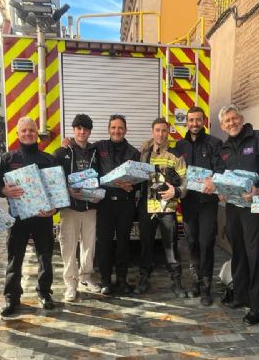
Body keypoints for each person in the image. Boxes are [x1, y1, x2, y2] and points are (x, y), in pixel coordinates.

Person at [217, 105, 259, 325]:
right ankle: (239, 295)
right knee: (239, 253)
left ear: (241, 119)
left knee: (255, 255)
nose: (231, 123)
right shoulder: (223, 148)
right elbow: (220, 176)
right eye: (227, 121)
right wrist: (220, 192)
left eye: (234, 119)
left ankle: (256, 306)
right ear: (222, 126)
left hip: (254, 207)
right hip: (233, 208)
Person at [0, 117, 57, 314]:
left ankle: (45, 292)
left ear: (37, 133)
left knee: (45, 256)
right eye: (24, 131)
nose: (28, 134)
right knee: (15, 257)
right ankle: (11, 297)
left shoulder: (48, 159)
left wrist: (55, 208)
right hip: (17, 218)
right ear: (17, 133)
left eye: (32, 130)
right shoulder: (7, 159)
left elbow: (57, 190)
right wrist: (4, 191)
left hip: (43, 217)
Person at [174, 106, 225, 306]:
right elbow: (173, 170)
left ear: (203, 122)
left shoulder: (215, 143)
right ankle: (195, 283)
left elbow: (220, 168)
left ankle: (206, 286)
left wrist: (213, 179)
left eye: (198, 120)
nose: (194, 123)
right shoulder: (180, 146)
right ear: (186, 123)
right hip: (188, 203)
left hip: (208, 203)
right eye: (191, 120)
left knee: (206, 243)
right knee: (192, 242)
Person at [135, 118, 188, 298]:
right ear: (152, 132)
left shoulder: (175, 155)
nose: (160, 134)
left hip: (168, 207)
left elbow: (185, 179)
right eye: (157, 130)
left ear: (168, 132)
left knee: (171, 245)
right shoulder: (144, 152)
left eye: (164, 131)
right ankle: (143, 278)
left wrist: (178, 191)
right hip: (147, 207)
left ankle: (177, 281)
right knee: (145, 245)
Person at [53, 114, 100, 302]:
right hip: (69, 208)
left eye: (85, 129)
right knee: (68, 246)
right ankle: (70, 284)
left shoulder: (96, 152)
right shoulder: (61, 152)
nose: (82, 132)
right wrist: (67, 190)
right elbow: (54, 179)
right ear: (73, 130)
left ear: (90, 132)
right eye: (78, 128)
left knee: (89, 246)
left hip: (90, 207)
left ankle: (85, 278)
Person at [95, 114, 140, 295]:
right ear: (109, 130)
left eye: (120, 127)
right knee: (104, 244)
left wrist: (133, 184)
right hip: (104, 204)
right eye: (113, 127)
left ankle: (122, 280)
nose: (117, 131)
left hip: (125, 205)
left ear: (125, 130)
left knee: (123, 244)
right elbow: (89, 167)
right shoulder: (98, 148)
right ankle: (105, 281)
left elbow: (140, 179)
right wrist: (69, 143)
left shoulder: (134, 153)